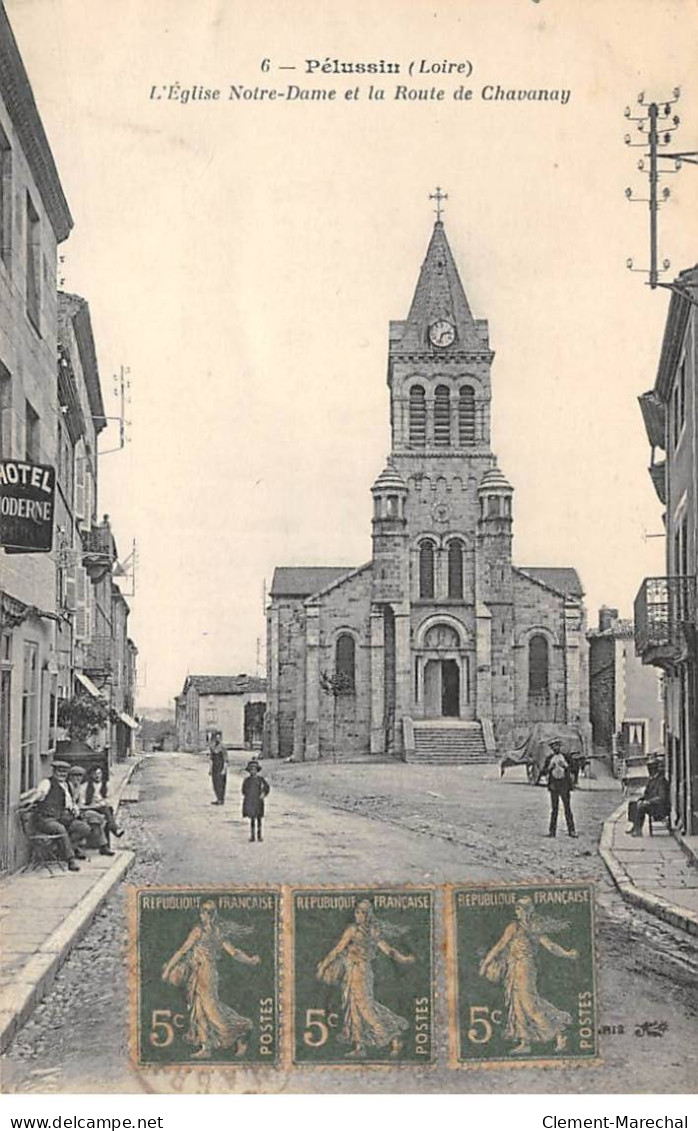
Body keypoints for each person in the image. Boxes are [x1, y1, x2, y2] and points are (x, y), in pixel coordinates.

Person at [161, 899, 260, 1059]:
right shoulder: (208, 931)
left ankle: (242, 1028)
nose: (204, 915)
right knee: (198, 1009)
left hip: (206, 973)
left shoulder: (205, 931)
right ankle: (206, 1047)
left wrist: (250, 960)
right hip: (198, 972)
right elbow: (184, 951)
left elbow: (232, 952)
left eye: (207, 912)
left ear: (212, 915)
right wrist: (169, 968)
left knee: (211, 1010)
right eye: (203, 911)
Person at [478, 896, 578, 1055]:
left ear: (528, 910)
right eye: (516, 908)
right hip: (513, 967)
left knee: (529, 1004)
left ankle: (558, 1032)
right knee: (517, 1004)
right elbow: (499, 946)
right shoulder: (513, 927)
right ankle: (525, 1042)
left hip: (526, 968)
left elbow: (550, 946)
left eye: (520, 908)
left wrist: (567, 954)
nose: (517, 911)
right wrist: (486, 964)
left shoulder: (534, 928)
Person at [316, 899, 415, 1058]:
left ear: (368, 915)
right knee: (353, 1007)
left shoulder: (370, 931)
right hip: (351, 971)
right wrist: (325, 964)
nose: (358, 915)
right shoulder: (353, 930)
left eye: (362, 912)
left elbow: (387, 950)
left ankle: (393, 1037)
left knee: (365, 1007)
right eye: (357, 912)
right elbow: (338, 949)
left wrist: (403, 959)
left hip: (361, 971)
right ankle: (359, 1046)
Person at [31, 761, 92, 871]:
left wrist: (74, 809)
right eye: (59, 771)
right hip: (45, 818)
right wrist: (33, 800)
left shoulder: (66, 785)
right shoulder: (47, 783)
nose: (62, 774)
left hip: (61, 817)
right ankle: (70, 859)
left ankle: (63, 850)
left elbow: (70, 803)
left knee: (84, 828)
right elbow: (40, 794)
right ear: (54, 771)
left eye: (65, 772)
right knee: (60, 829)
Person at [66, 767, 114, 856]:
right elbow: (76, 803)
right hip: (70, 813)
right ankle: (78, 848)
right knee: (95, 817)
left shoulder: (78, 787)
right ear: (70, 776)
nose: (77, 778)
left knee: (94, 820)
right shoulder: (67, 787)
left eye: (80, 776)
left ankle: (103, 847)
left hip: (79, 811)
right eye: (75, 776)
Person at [78, 766, 124, 849]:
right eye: (95, 774)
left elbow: (110, 799)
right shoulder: (84, 786)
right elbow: (82, 802)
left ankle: (106, 845)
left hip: (102, 808)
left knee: (106, 809)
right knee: (106, 812)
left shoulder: (106, 785)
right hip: (89, 808)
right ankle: (115, 829)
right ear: (91, 775)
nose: (97, 776)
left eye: (99, 773)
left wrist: (101, 803)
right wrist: (93, 804)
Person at [542, 739, 577, 838]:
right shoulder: (549, 758)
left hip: (564, 784)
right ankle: (552, 831)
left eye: (557, 746)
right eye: (553, 747)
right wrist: (549, 768)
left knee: (567, 808)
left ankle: (572, 830)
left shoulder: (566, 757)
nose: (556, 748)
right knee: (554, 809)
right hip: (554, 785)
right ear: (552, 749)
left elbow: (574, 769)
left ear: (560, 747)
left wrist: (565, 767)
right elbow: (543, 771)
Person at [627, 756, 670, 836]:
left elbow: (662, 798)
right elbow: (647, 793)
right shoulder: (652, 780)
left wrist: (648, 802)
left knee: (641, 807)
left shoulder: (661, 781)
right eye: (649, 768)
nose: (650, 771)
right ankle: (635, 826)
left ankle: (638, 830)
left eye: (651, 768)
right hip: (652, 805)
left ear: (655, 769)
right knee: (633, 804)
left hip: (660, 807)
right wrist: (641, 799)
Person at [241, 759, 270, 842]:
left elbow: (266, 788)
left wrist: (263, 794)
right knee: (252, 819)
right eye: (251, 770)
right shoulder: (247, 781)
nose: (253, 772)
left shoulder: (261, 780)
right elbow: (243, 791)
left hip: (259, 802)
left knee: (259, 819)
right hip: (251, 802)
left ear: (257, 770)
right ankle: (252, 836)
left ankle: (259, 835)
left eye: (255, 770)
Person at [208, 731, 228, 805]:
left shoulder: (223, 747)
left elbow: (226, 760)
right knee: (215, 783)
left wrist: (224, 769)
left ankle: (221, 799)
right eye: (216, 737)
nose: (217, 739)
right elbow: (211, 759)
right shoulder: (212, 747)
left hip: (221, 766)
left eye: (219, 737)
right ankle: (217, 798)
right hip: (215, 767)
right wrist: (210, 769)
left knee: (221, 783)